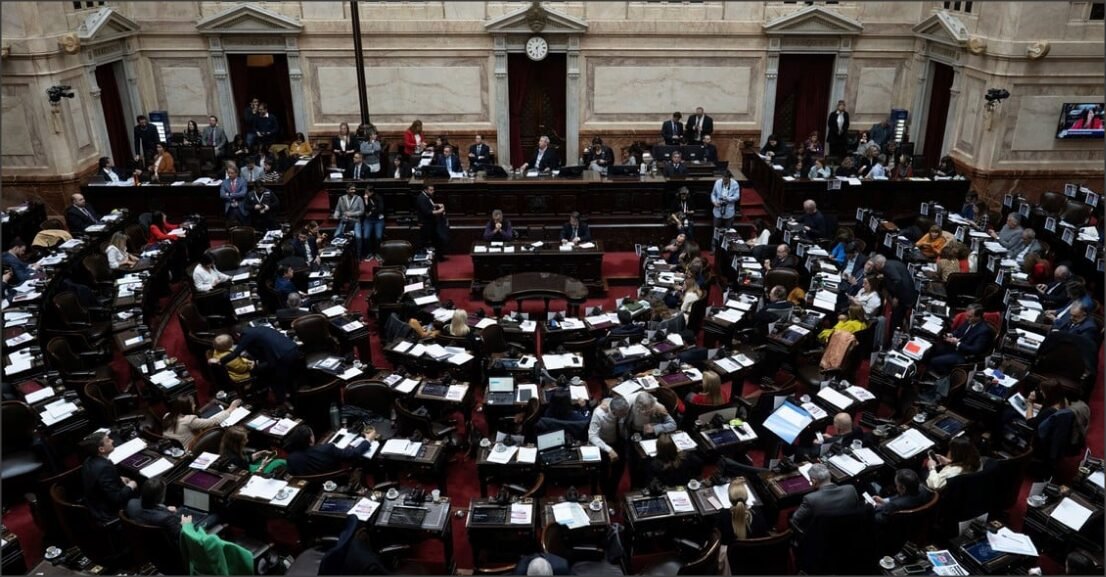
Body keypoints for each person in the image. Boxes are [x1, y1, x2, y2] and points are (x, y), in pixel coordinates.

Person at [210, 326, 303, 405]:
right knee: (290, 377)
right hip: (293, 349)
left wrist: (219, 361)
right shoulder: (258, 328)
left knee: (275, 379)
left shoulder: (246, 336)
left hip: (282, 357)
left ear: (237, 335)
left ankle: (281, 403)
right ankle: (293, 397)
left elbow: (235, 354)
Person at [80, 431, 137, 524]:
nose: (112, 440)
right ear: (101, 449)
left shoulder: (89, 460)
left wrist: (118, 479)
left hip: (95, 502)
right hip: (108, 512)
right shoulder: (104, 467)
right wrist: (131, 486)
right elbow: (117, 499)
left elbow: (101, 482)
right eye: (108, 440)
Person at [790, 463, 862, 533]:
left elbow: (795, 520)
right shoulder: (850, 489)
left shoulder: (811, 499)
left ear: (814, 482)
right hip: (849, 531)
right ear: (830, 476)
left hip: (821, 537)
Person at [283, 424, 377, 476]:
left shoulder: (291, 459)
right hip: (336, 481)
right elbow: (352, 454)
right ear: (310, 440)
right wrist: (368, 440)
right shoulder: (327, 448)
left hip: (310, 488)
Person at [927, 304, 994, 375]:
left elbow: (975, 350)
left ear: (978, 317)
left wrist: (957, 343)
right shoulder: (970, 321)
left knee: (934, 361)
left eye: (970, 316)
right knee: (932, 349)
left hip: (965, 356)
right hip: (957, 349)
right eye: (967, 315)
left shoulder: (984, 331)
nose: (967, 318)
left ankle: (948, 378)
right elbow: (959, 330)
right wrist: (951, 335)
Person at [162, 394, 242, 447]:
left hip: (174, 449)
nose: (195, 405)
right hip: (190, 451)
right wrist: (231, 408)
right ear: (187, 407)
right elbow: (213, 421)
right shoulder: (189, 420)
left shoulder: (167, 416)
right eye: (193, 404)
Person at [589, 396, 631, 496]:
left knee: (619, 469)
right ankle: (604, 493)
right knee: (603, 471)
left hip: (619, 442)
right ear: (615, 412)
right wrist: (609, 449)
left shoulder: (622, 407)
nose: (626, 415)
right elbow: (592, 436)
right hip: (604, 444)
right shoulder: (599, 414)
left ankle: (612, 492)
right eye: (623, 414)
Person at [871, 254, 916, 331]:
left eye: (875, 266)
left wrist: (896, 296)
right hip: (909, 293)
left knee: (895, 321)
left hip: (903, 298)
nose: (875, 268)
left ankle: (893, 338)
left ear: (878, 264)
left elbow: (898, 280)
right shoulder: (891, 263)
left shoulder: (887, 267)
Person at [711, 171, 741, 251]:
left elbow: (737, 196)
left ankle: (727, 248)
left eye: (726, 179)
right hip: (717, 210)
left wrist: (728, 198)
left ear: (729, 178)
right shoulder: (717, 182)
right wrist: (714, 202)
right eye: (723, 178)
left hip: (729, 211)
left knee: (728, 231)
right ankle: (714, 248)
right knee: (715, 230)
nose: (724, 180)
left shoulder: (735, 184)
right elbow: (713, 194)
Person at [334, 184, 365, 259]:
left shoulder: (359, 198)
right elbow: (337, 210)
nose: (353, 191)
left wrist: (351, 214)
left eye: (354, 189)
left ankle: (358, 256)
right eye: (351, 189)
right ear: (347, 190)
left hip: (355, 221)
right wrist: (336, 215)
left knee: (358, 237)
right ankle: (340, 256)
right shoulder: (341, 199)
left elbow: (362, 211)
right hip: (344, 220)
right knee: (336, 235)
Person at [416, 185, 446, 256]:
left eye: (433, 190)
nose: (433, 191)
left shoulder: (426, 196)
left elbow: (430, 205)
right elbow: (427, 212)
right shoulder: (422, 198)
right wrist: (440, 211)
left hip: (431, 222)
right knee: (425, 241)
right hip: (426, 223)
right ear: (425, 190)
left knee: (435, 239)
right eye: (431, 190)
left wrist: (437, 205)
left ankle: (439, 256)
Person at [362, 186, 385, 261]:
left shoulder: (379, 198)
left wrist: (371, 212)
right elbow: (364, 210)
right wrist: (366, 201)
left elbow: (380, 209)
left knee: (378, 237)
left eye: (367, 192)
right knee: (366, 237)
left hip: (378, 220)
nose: (365, 194)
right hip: (368, 220)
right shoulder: (365, 199)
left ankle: (378, 253)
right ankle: (370, 253)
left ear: (372, 192)